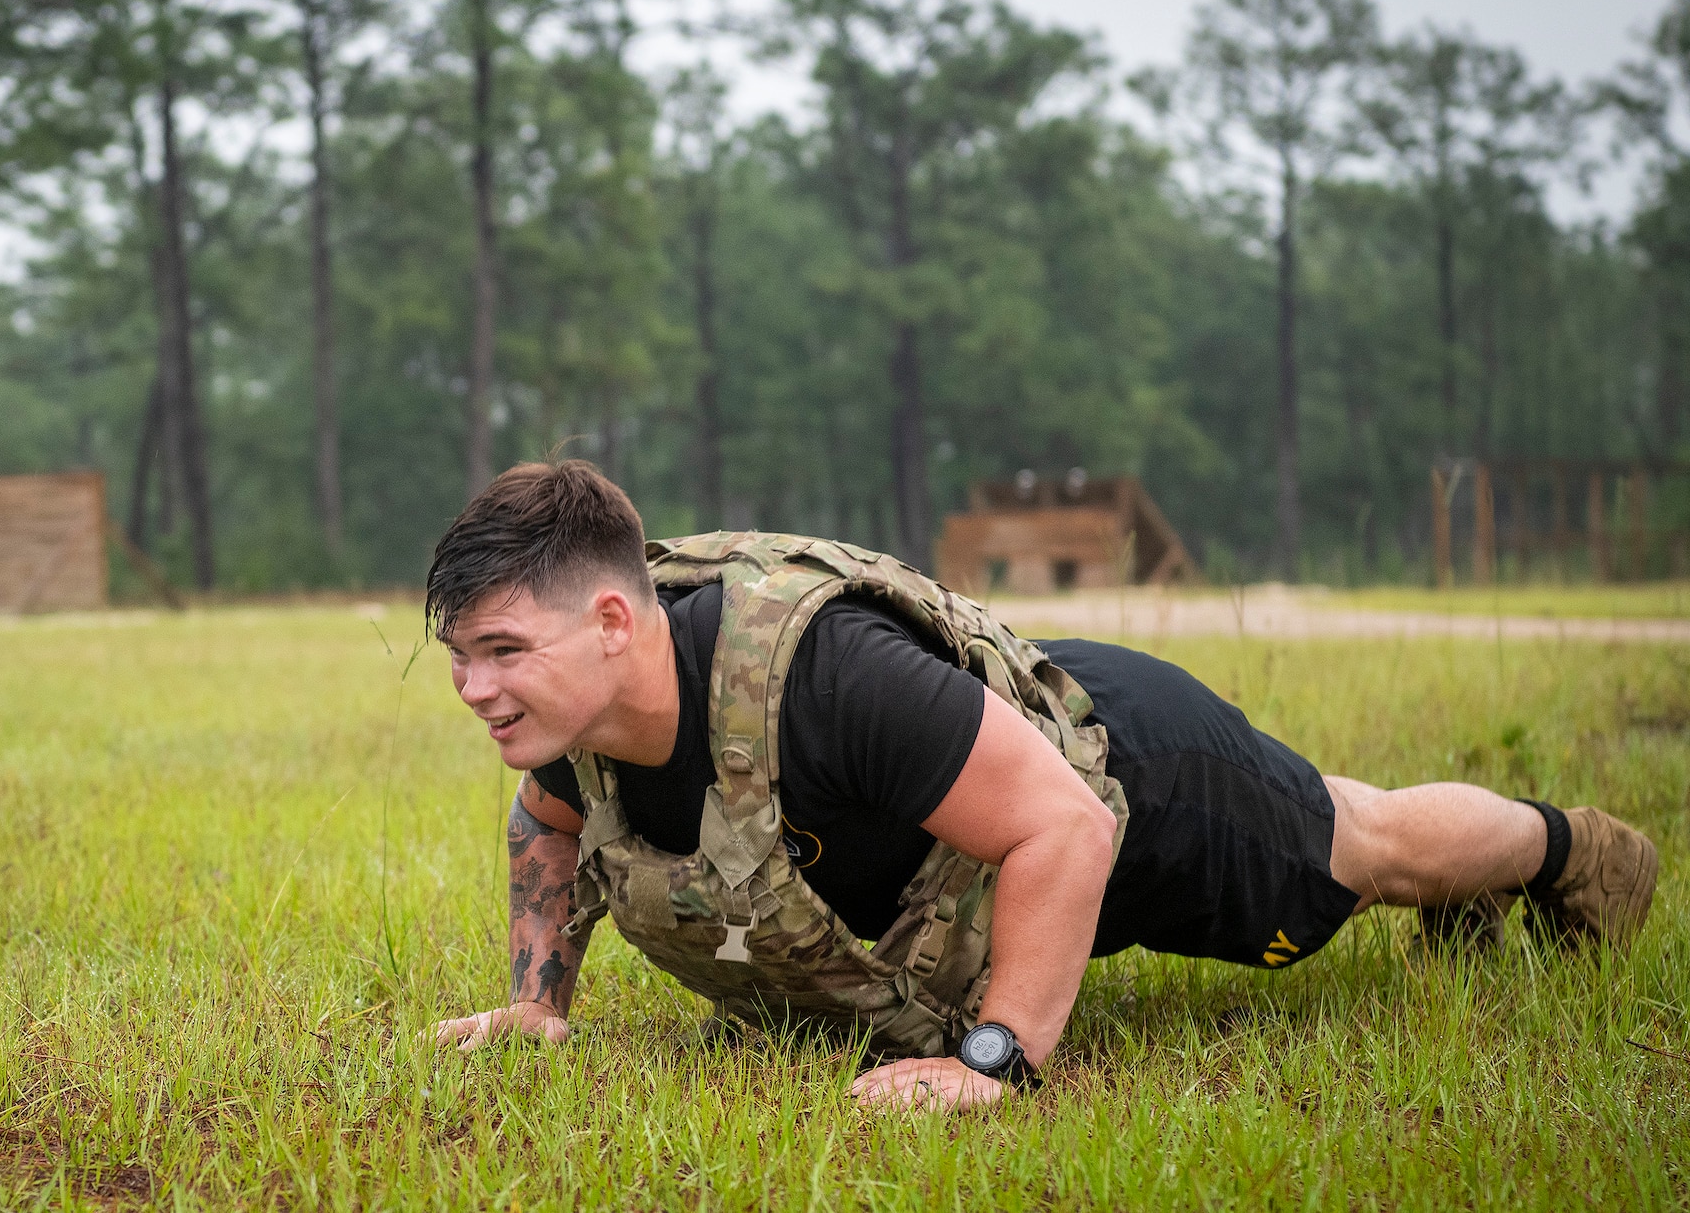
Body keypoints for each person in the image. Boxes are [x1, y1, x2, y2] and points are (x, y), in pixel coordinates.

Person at [426, 461, 1659, 1112]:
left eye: (502, 650)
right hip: (981, 797)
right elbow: (551, 818)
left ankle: (1576, 851)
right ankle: (1488, 884)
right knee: (1353, 834)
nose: (476, 688)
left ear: (609, 619)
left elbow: (1064, 823)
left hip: (1129, 767)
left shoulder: (821, 676)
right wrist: (538, 1001)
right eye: (459, 656)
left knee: (1359, 844)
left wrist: (994, 1059)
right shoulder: (582, 717)